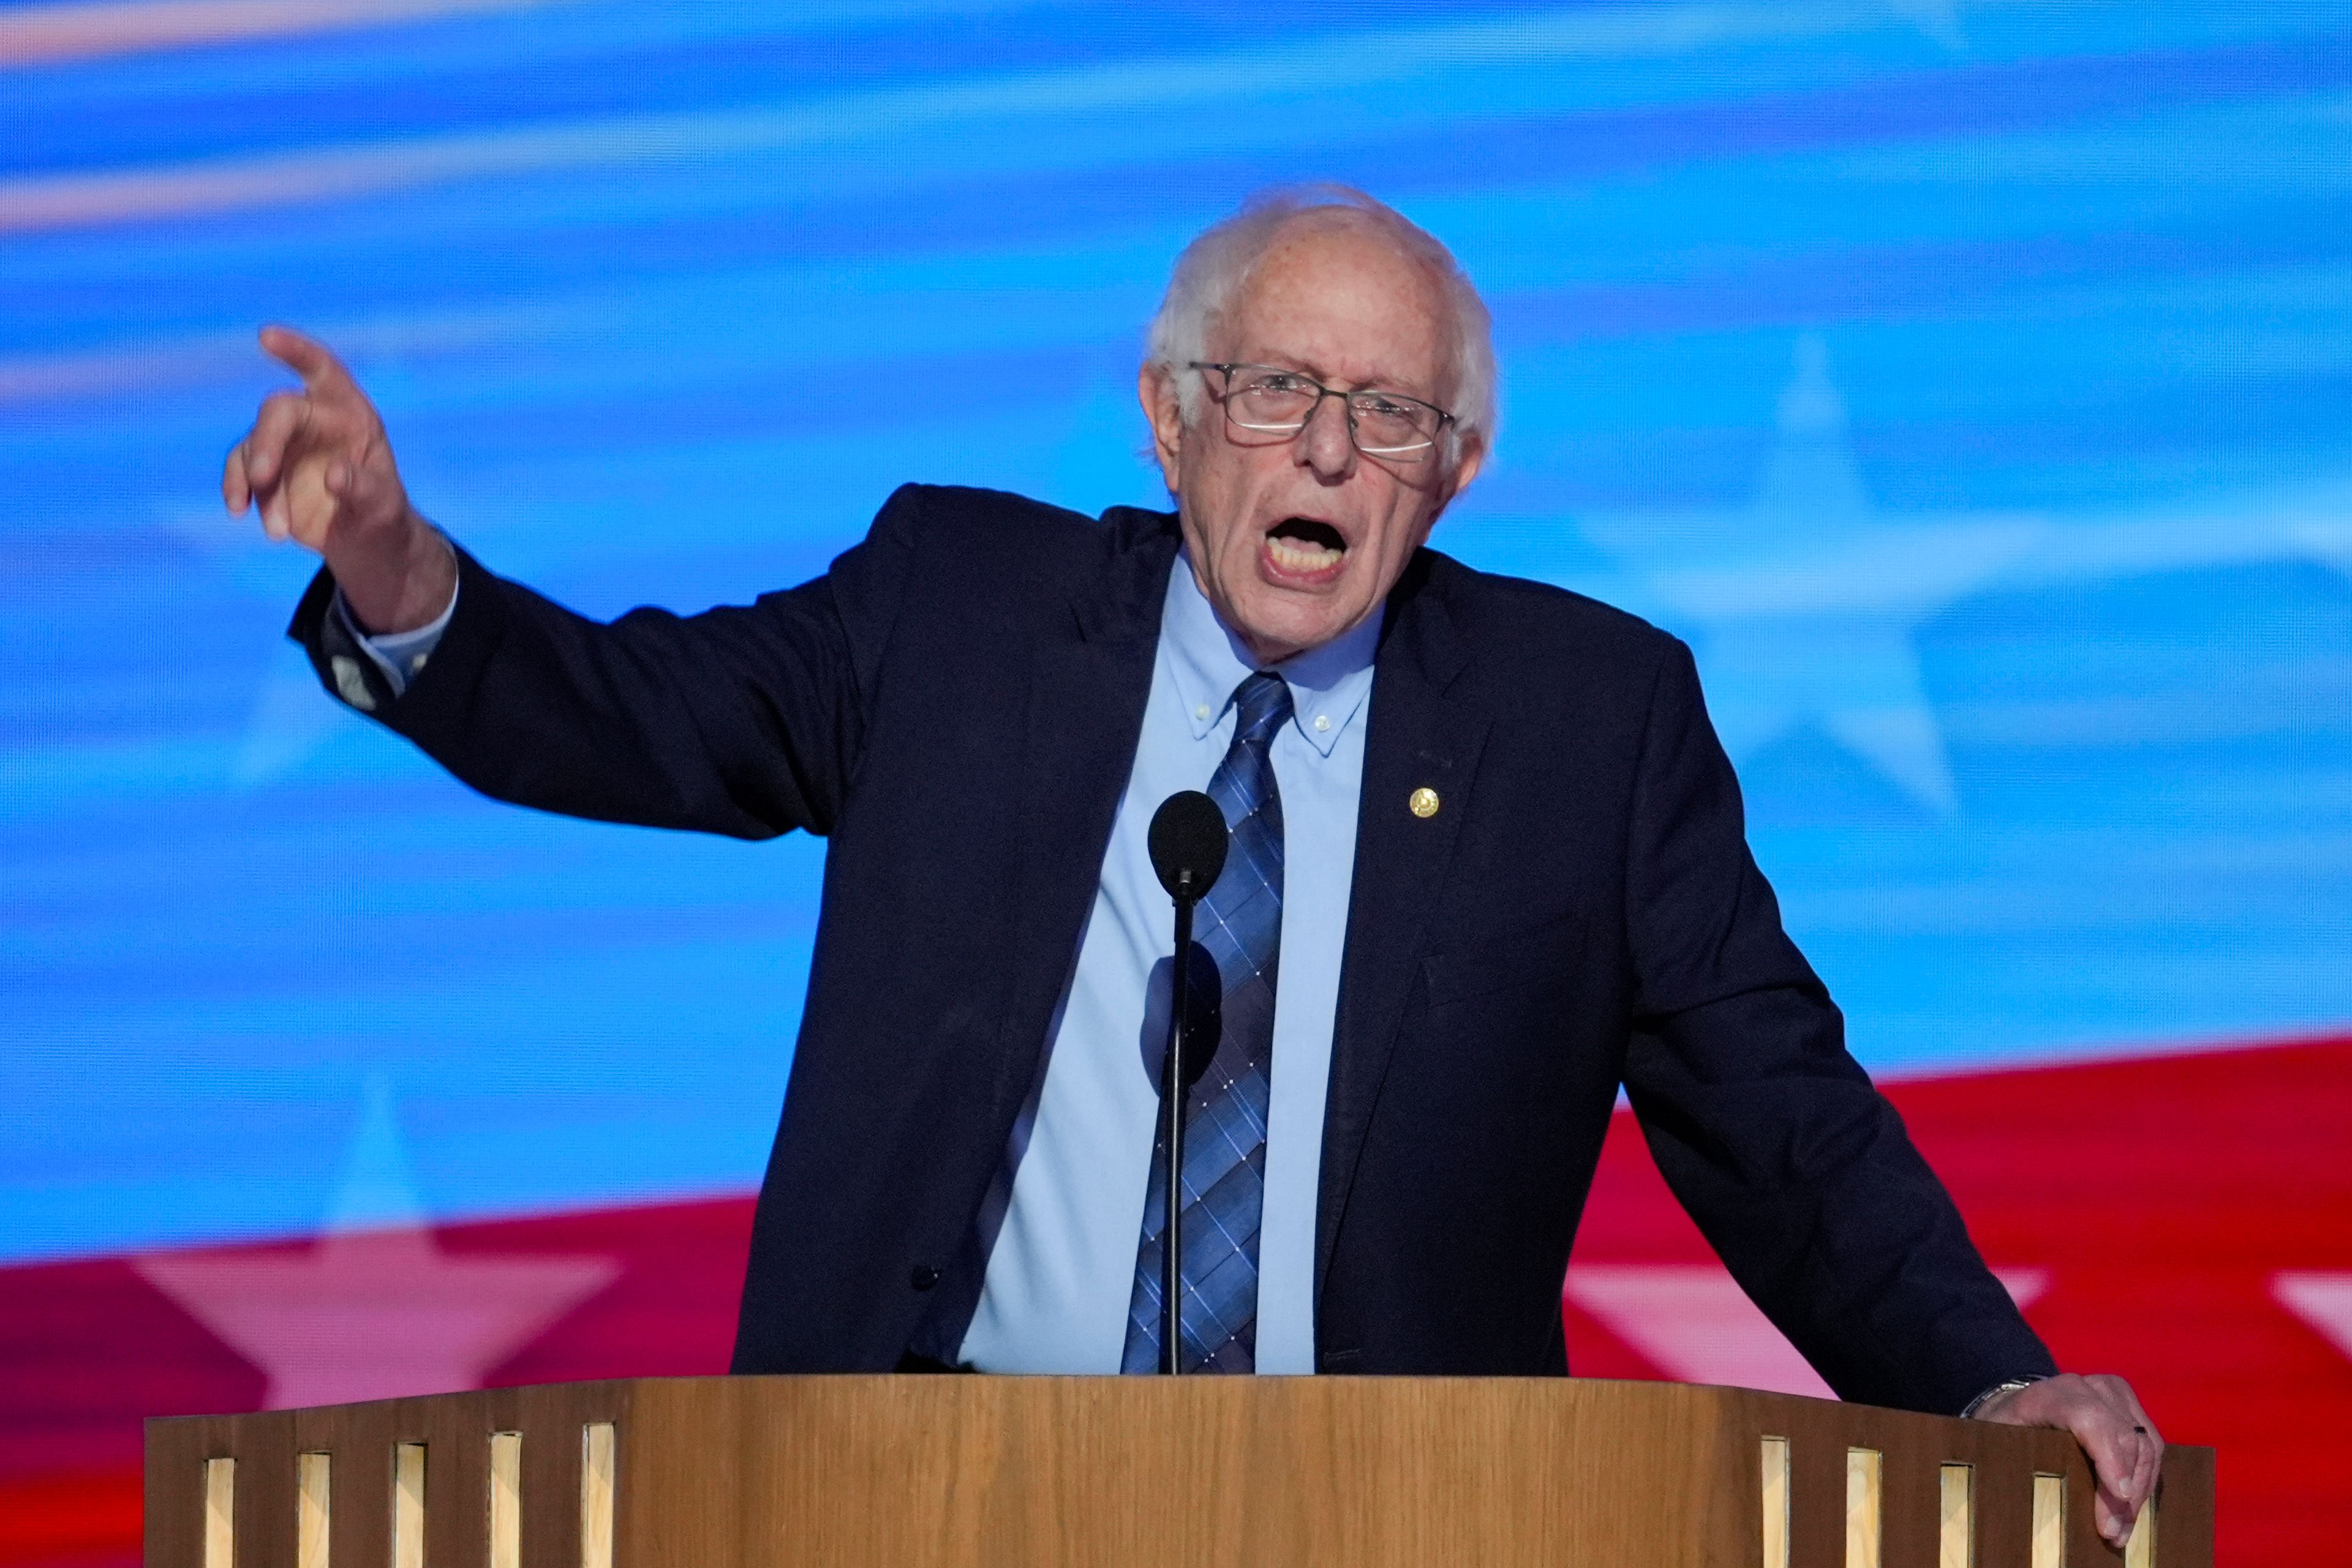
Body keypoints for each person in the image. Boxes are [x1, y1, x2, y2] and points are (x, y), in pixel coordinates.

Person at [223, 187, 2163, 1544]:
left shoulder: (1588, 726)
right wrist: (398, 570)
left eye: (1390, 413)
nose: (1327, 447)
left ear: (1457, 469)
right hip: (900, 1497)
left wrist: (1988, 1392)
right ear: (1174, 419)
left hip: (1398, 1521)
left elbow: (1783, 1119)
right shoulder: (957, 614)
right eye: (1277, 391)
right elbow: (635, 716)